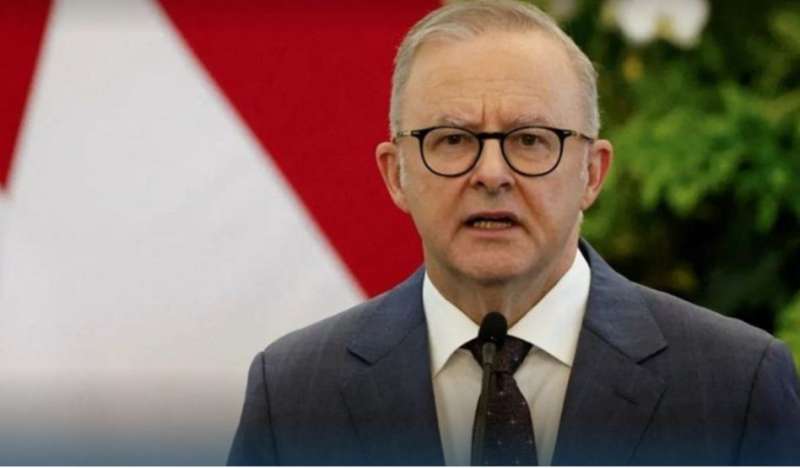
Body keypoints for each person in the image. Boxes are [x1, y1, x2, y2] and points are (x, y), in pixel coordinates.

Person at [227, 0, 800, 465]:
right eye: (453, 140)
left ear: (592, 173)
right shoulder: (294, 393)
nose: (491, 174)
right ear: (396, 174)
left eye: (529, 140)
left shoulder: (735, 386)